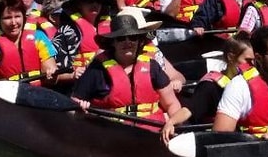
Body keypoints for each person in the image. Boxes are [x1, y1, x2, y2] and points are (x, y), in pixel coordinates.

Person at [71, 12, 184, 144]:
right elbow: (73, 104)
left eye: (132, 38)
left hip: (154, 135)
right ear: (112, 42)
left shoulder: (152, 66)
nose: (127, 42)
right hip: (114, 135)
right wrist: (79, 109)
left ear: (139, 41)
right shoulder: (97, 70)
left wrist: (173, 124)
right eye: (121, 39)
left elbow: (171, 104)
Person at [171, 35, 256, 126]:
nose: (252, 64)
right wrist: (171, 123)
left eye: (254, 60)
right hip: (226, 136)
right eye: (248, 60)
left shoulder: (256, 82)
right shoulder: (210, 86)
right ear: (231, 57)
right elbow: (190, 109)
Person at [51, 0, 112, 75]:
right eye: (89, 1)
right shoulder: (67, 31)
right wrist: (73, 74)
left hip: (107, 76)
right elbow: (58, 68)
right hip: (81, 79)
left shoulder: (113, 28)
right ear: (79, 5)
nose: (95, 4)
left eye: (98, 1)